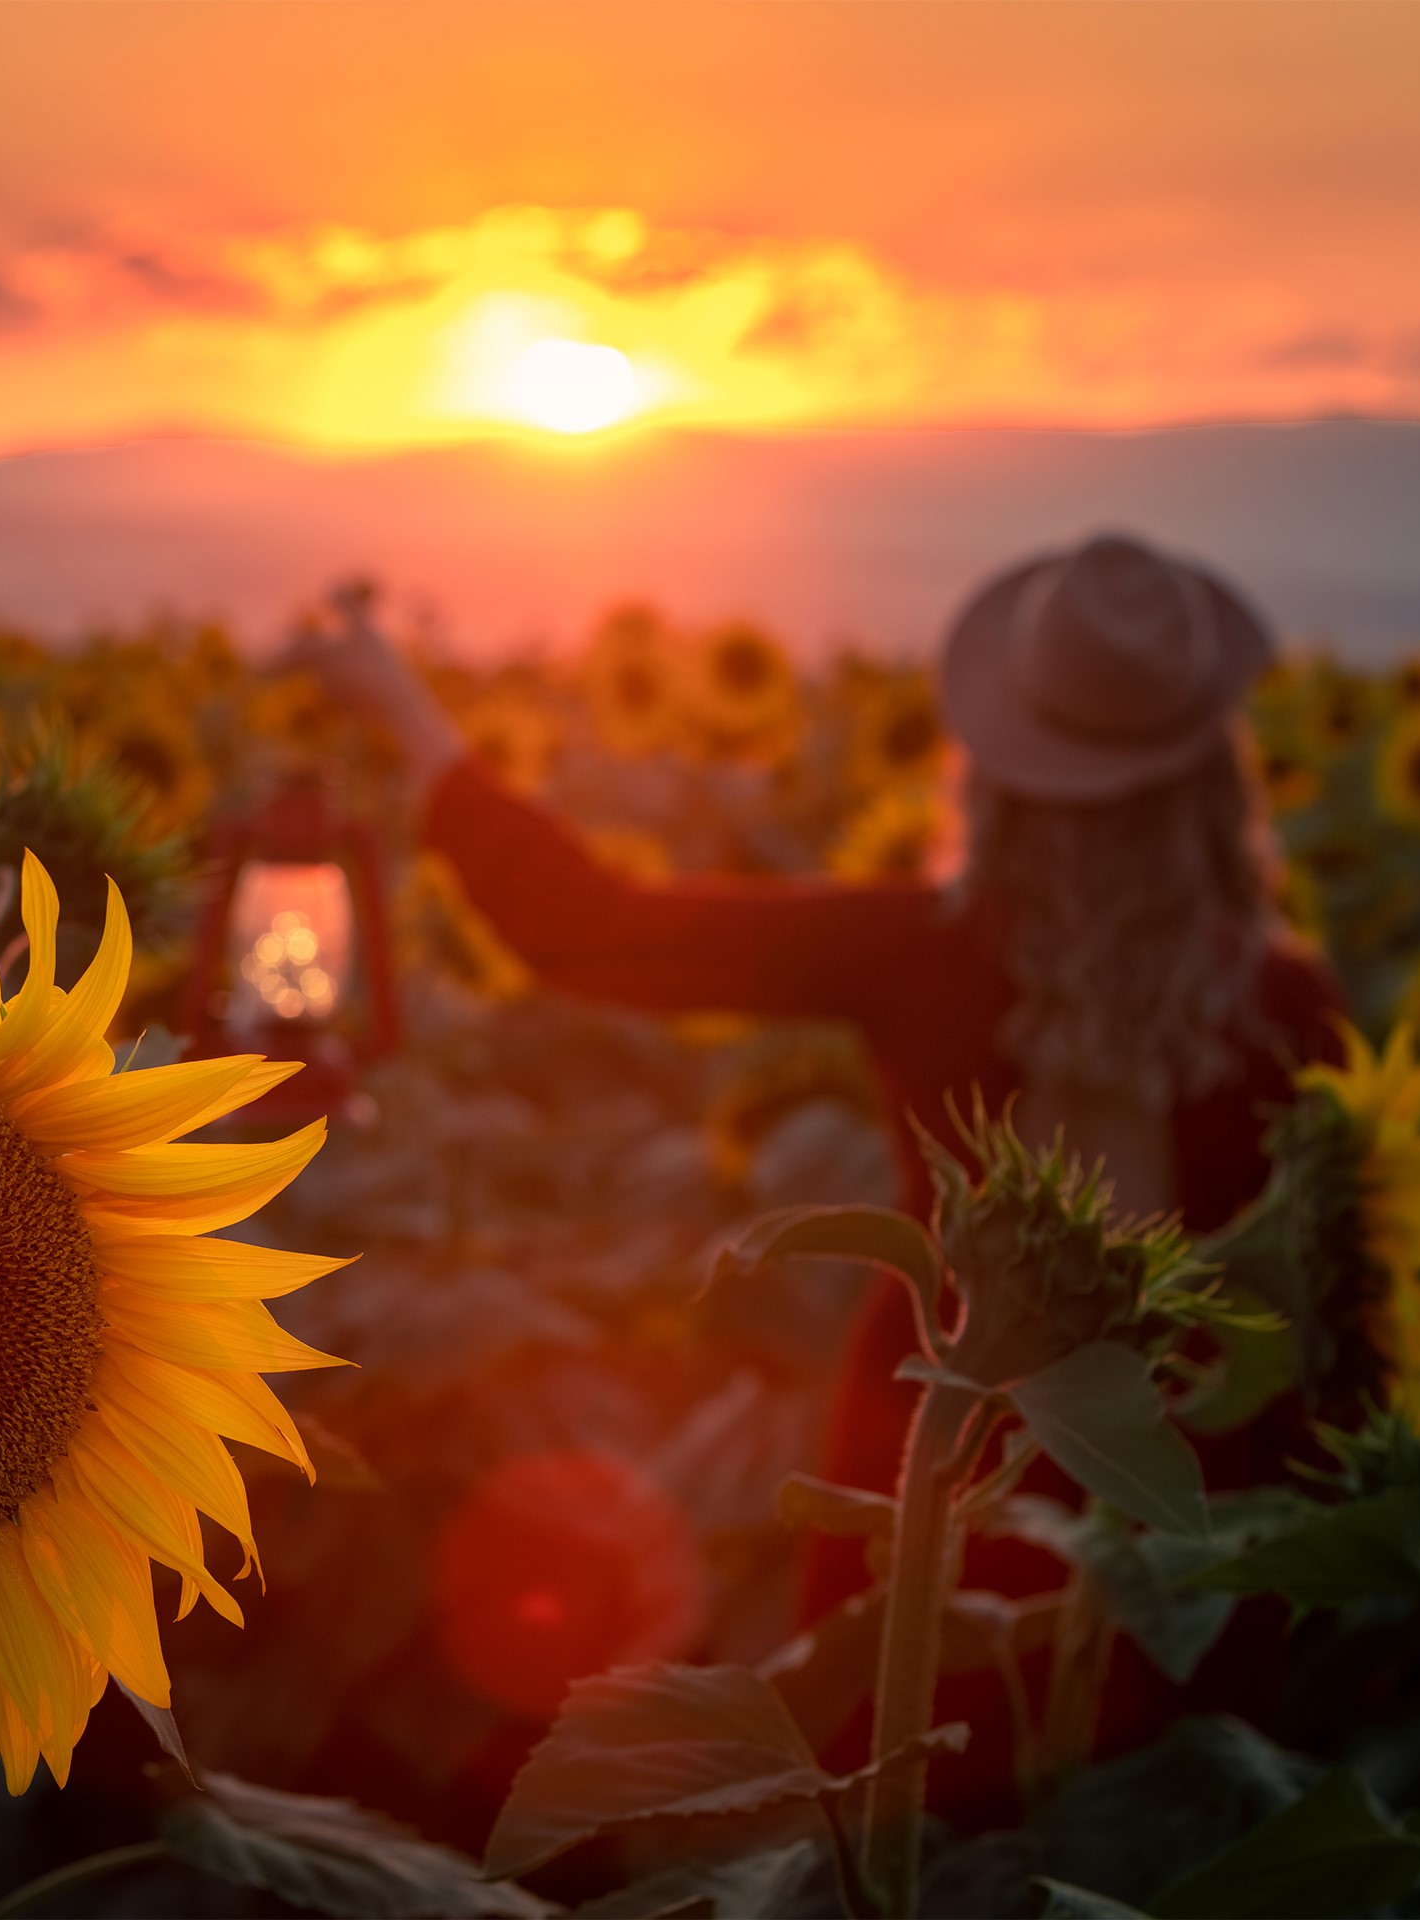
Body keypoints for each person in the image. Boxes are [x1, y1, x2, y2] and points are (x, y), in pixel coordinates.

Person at [297, 533, 1348, 1796]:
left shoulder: (915, 950)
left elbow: (587, 930)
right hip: (1189, 1539)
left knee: (899, 1831)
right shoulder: (1286, 1009)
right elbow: (1335, 1341)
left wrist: (405, 709)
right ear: (1208, 780)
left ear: (998, 767)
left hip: (936, 1500)